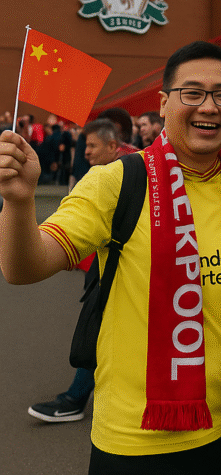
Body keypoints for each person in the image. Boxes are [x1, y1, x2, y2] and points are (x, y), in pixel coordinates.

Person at [0, 41, 221, 474]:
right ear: (165, 103)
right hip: (137, 439)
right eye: (193, 93)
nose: (209, 107)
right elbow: (23, 269)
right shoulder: (117, 182)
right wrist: (20, 203)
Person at [27, 118, 122, 424]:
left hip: (120, 279)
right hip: (100, 273)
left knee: (95, 334)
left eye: (92, 146)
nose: (86, 152)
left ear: (112, 145)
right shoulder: (100, 176)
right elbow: (27, 264)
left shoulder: (130, 178)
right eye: (85, 146)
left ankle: (74, 399)